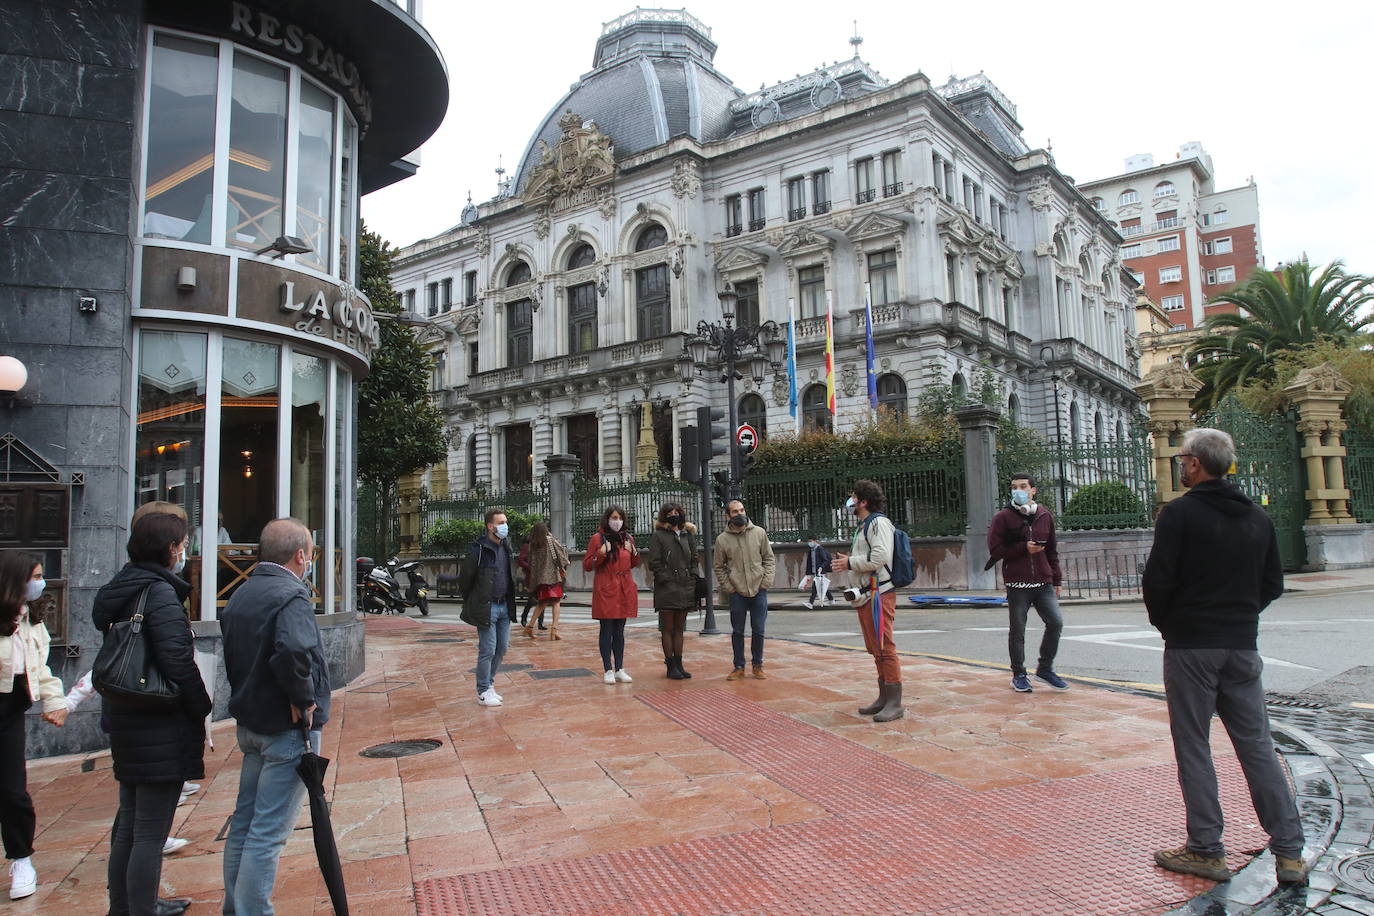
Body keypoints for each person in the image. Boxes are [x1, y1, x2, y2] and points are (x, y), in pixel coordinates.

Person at [1143, 428, 1308, 886]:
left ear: (1196, 464)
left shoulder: (1179, 514)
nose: (1180, 465)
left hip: (1191, 646)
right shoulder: (1257, 516)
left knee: (1194, 745)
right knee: (1257, 745)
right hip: (1242, 644)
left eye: (1182, 459)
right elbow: (1272, 583)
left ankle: (1206, 849)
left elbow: (1158, 581)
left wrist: (1171, 625)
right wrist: (1241, 615)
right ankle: (1290, 852)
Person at [92, 512, 210, 916]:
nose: (184, 552)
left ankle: (124, 906)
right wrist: (201, 707)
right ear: (170, 549)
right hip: (158, 722)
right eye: (182, 545)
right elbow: (178, 662)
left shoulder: (124, 588)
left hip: (127, 716)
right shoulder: (159, 594)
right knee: (148, 833)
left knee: (129, 824)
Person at [220, 517, 331, 914]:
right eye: (310, 554)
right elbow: (293, 650)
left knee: (245, 823)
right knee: (267, 833)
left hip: (252, 726)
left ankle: (235, 907)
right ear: (300, 555)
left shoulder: (242, 593)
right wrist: (303, 698)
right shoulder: (290, 595)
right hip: (287, 730)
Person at [62, 672, 194, 855]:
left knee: (133, 797)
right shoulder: (131, 653)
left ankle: (133, 847)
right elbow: (99, 671)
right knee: (142, 795)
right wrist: (69, 702)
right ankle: (153, 840)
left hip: (132, 719)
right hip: (140, 720)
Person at [0, 553, 67, 901]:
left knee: (13, 791)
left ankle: (21, 858)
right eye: (35, 576)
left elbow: (40, 669)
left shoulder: (33, 621)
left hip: (10, 712)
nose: (39, 583)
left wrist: (54, 701)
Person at [985, 473, 1068, 693]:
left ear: (1033, 490)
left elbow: (1052, 550)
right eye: (1014, 487)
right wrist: (1023, 548)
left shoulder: (1044, 515)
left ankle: (1045, 668)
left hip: (1043, 583)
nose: (1018, 491)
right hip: (1017, 584)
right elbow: (995, 550)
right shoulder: (1003, 518)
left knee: (1055, 622)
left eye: (1023, 486)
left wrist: (1057, 578)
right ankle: (1019, 674)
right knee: (1018, 630)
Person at [832, 479, 904, 722]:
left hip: (879, 593)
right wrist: (851, 561)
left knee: (884, 646)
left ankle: (894, 702)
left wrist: (850, 562)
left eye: (854, 497)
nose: (850, 501)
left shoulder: (878, 523)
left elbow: (880, 557)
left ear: (863, 501)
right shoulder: (865, 525)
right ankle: (884, 697)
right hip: (867, 594)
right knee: (875, 647)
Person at [458, 508, 517, 708]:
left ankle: (489, 684)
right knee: (488, 649)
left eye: (505, 522)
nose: (505, 526)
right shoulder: (479, 550)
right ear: (491, 526)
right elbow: (465, 580)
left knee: (502, 648)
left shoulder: (506, 547)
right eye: (501, 523)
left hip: (504, 605)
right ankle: (482, 690)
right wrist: (475, 600)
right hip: (487, 606)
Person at [713, 499, 776, 680]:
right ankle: (738, 666)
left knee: (759, 629)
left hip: (759, 589)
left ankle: (758, 665)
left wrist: (765, 582)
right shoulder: (722, 539)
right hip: (737, 592)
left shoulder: (759, 533)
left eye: (741, 510)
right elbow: (719, 566)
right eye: (735, 511)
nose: (739, 514)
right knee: (738, 631)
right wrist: (729, 587)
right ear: (728, 516)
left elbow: (769, 559)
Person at [583, 506, 639, 684]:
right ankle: (608, 669)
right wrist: (600, 554)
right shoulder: (598, 538)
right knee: (607, 630)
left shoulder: (627, 538)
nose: (617, 521)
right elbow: (587, 565)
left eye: (620, 518)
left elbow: (634, 563)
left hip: (624, 588)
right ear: (607, 519)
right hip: (606, 588)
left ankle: (619, 669)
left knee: (619, 631)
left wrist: (634, 552)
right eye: (614, 518)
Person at [645, 502, 700, 680]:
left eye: (677, 512)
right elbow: (654, 562)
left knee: (679, 629)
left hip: (685, 586)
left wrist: (693, 576)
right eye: (670, 513)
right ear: (664, 516)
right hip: (667, 588)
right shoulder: (659, 535)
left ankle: (679, 664)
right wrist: (665, 578)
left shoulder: (687, 534)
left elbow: (694, 559)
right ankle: (670, 665)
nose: (674, 515)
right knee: (667, 628)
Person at [523, 523, 570, 640]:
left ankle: (530, 627)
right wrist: (563, 566)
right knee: (556, 601)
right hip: (552, 576)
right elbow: (561, 554)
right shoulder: (549, 540)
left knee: (542, 602)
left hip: (539, 579)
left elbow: (531, 563)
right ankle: (554, 630)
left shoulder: (532, 545)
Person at [802, 536, 832, 609]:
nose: (809, 543)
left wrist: (821, 567)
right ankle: (831, 599)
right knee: (821, 587)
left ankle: (810, 603)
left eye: (811, 541)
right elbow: (809, 563)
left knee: (815, 587)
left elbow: (825, 560)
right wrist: (808, 574)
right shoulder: (811, 550)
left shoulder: (819, 549)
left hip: (820, 572)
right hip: (816, 572)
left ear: (815, 541)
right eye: (808, 541)